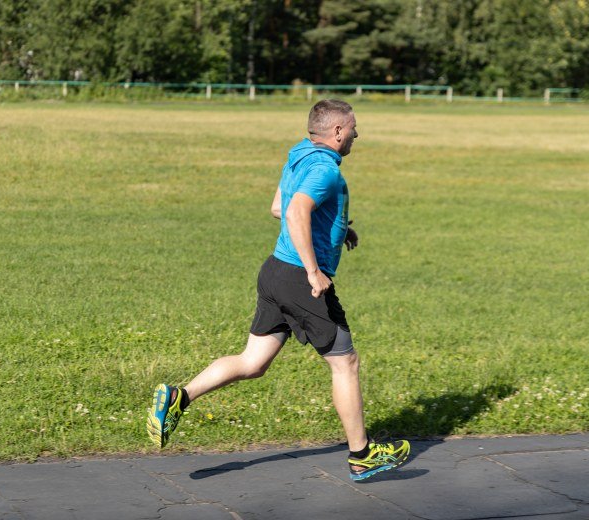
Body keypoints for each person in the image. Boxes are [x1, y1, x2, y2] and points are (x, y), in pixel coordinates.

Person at [146, 99, 410, 482]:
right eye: (354, 127)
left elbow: (277, 205)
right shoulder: (325, 169)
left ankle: (178, 397)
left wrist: (337, 228)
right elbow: (293, 211)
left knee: (253, 362)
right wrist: (314, 271)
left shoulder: (299, 154)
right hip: (300, 280)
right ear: (338, 131)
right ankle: (362, 455)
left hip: (275, 271)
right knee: (345, 362)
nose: (357, 133)